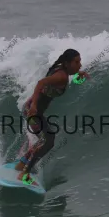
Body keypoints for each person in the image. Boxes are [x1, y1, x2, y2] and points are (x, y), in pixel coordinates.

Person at [15, 49, 90, 184]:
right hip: (32, 111)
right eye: (76, 62)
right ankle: (24, 174)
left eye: (80, 62)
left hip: (33, 110)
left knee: (45, 139)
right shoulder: (61, 76)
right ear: (67, 63)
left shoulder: (61, 69)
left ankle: (22, 163)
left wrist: (78, 73)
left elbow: (62, 74)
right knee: (48, 141)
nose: (80, 65)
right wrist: (34, 106)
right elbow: (40, 83)